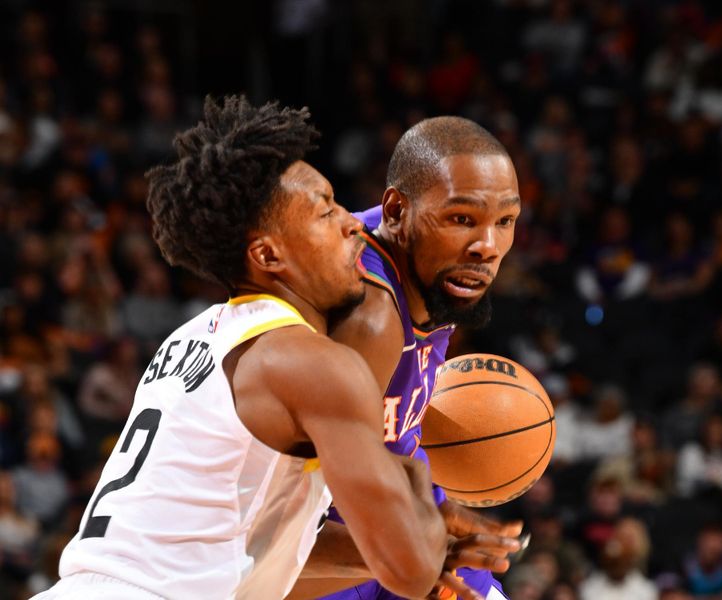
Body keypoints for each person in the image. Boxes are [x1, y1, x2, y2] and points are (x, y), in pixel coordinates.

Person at [32, 96, 448, 600]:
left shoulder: (192, 338)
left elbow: (255, 556)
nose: (353, 223)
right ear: (268, 254)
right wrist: (419, 481)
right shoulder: (309, 362)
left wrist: (443, 544)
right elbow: (409, 570)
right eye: (325, 211)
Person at [288, 116, 524, 599]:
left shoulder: (437, 260)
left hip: (392, 514)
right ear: (397, 209)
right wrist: (413, 549)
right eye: (464, 219)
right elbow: (268, 536)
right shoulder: (368, 315)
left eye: (505, 221)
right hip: (317, 544)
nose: (488, 246)